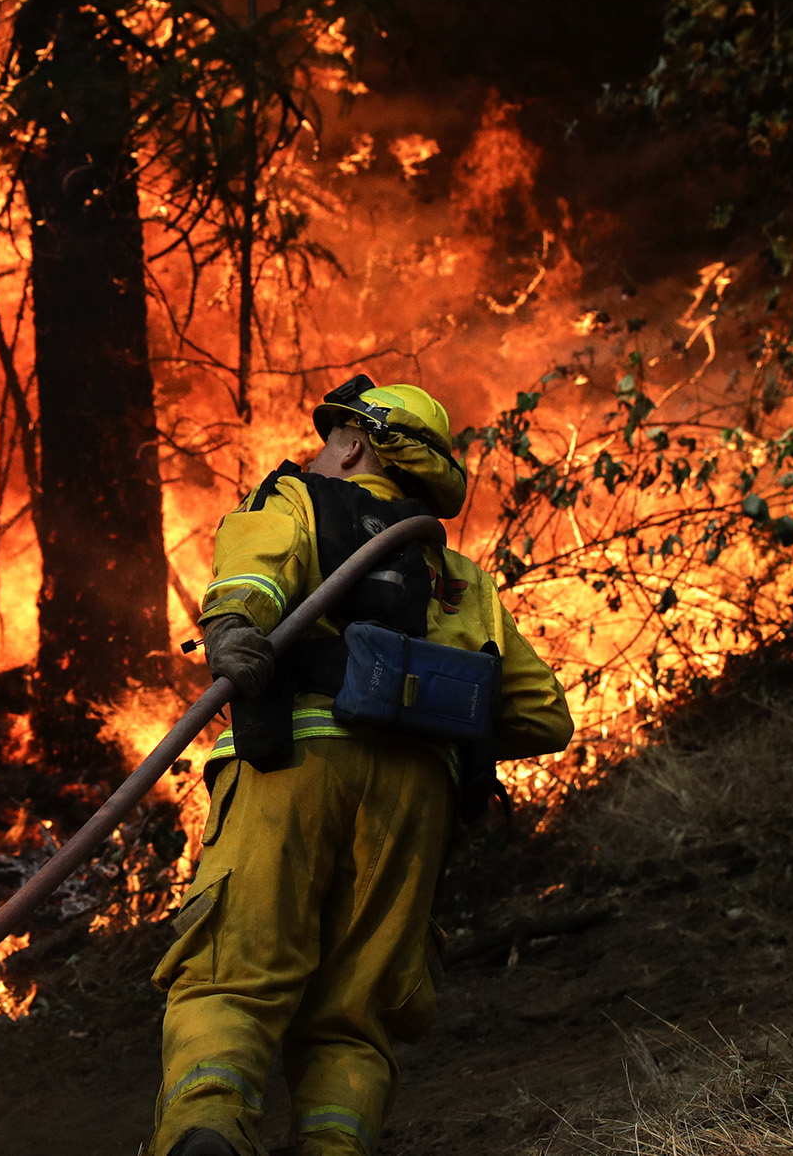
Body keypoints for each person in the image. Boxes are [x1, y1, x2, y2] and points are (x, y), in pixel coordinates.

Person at [150, 378, 574, 1156]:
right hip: (414, 806)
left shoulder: (299, 501)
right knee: (354, 1012)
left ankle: (209, 1128)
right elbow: (545, 717)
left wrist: (234, 632)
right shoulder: (463, 581)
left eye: (330, 438)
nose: (321, 450)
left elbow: (251, 581)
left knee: (232, 977)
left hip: (294, 772)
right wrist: (439, 724)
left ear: (353, 443)